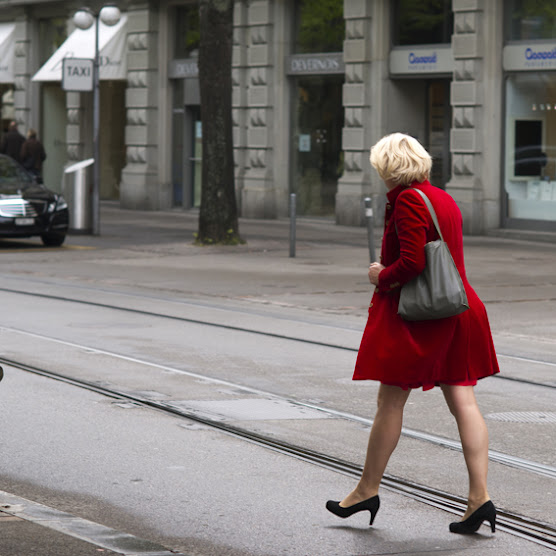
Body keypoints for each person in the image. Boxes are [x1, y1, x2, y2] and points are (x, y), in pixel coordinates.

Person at [326, 133, 499, 535]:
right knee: (463, 399)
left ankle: (367, 490)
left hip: (425, 315)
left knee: (390, 401)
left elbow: (412, 263)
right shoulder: (442, 197)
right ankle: (480, 498)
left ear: (387, 168)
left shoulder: (406, 200)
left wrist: (379, 276)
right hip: (459, 308)